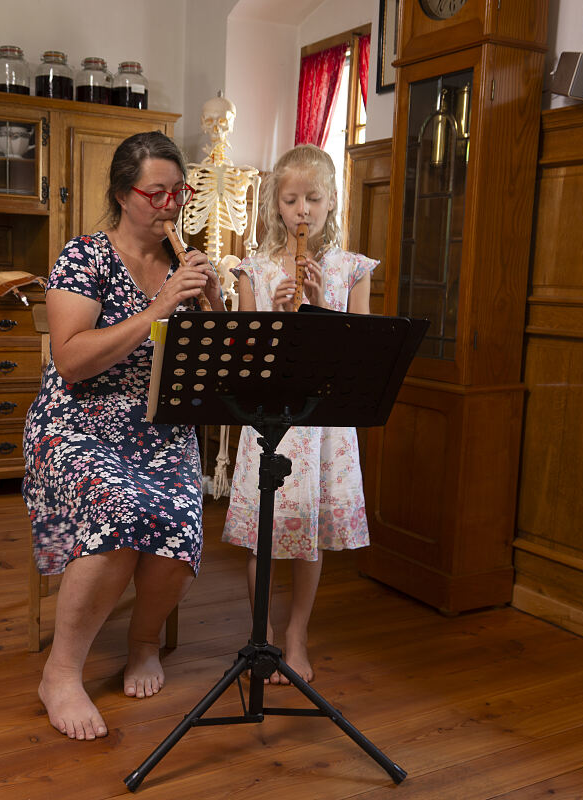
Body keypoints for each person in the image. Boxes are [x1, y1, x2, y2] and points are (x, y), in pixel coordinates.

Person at [23, 131, 222, 740]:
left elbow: (216, 366)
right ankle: (61, 673)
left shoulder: (184, 266)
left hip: (159, 426)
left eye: (179, 193)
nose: (170, 205)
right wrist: (158, 308)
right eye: (156, 193)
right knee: (121, 506)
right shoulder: (84, 257)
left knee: (182, 516)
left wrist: (213, 304)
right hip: (76, 421)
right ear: (121, 194)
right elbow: (72, 360)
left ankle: (144, 643)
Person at [221, 144, 375, 685]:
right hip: (270, 418)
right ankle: (261, 633)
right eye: (290, 200)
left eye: (313, 198)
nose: (302, 210)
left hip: (322, 421)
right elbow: (244, 356)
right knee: (263, 532)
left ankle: (297, 635)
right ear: (276, 206)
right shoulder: (254, 270)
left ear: (331, 201)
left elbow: (361, 352)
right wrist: (273, 312)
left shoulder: (352, 269)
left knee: (309, 531)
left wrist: (320, 307)